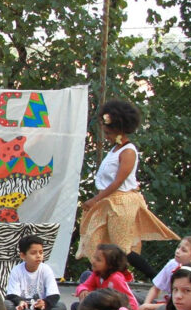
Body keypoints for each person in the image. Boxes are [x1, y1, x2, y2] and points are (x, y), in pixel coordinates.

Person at [75, 99, 179, 280]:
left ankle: (157, 278)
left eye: (108, 133)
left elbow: (118, 182)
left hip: (122, 203)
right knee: (96, 240)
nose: (106, 136)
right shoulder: (115, 150)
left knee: (121, 248)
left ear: (119, 130)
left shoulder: (128, 151)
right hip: (109, 201)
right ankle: (101, 278)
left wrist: (95, 200)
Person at [5, 235, 69, 310]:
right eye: (33, 253)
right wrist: (20, 302)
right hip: (24, 307)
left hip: (40, 308)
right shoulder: (16, 271)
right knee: (6, 305)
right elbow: (11, 295)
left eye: (41, 252)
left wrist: (45, 303)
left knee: (61, 306)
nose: (38, 256)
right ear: (23, 256)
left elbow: (54, 294)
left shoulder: (46, 269)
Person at [139, 236, 191, 310]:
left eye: (184, 250)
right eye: (178, 247)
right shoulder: (172, 264)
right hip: (165, 302)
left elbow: (177, 304)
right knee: (132, 295)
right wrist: (145, 306)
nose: (178, 251)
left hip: (176, 308)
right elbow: (156, 288)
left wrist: (147, 307)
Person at [73, 244, 139, 310]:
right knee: (75, 307)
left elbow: (131, 302)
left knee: (84, 309)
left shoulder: (116, 279)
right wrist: (83, 290)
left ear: (110, 265)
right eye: (94, 257)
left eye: (98, 260)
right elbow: (85, 285)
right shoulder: (97, 274)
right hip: (103, 306)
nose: (93, 261)